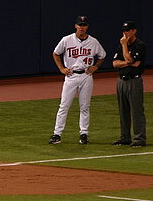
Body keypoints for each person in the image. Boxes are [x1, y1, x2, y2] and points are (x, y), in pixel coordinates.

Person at [48, 16, 106, 145]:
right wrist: (61, 68)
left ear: (87, 27)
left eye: (84, 25)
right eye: (80, 25)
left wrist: (96, 66)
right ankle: (57, 134)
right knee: (64, 106)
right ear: (75, 26)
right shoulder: (67, 40)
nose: (82, 27)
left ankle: (84, 134)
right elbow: (56, 53)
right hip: (71, 76)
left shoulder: (93, 42)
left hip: (86, 75)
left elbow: (102, 55)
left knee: (84, 106)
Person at [112, 21, 147, 147]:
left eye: (127, 30)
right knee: (123, 110)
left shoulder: (139, 45)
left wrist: (125, 48)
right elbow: (115, 64)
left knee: (136, 110)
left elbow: (129, 59)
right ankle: (125, 137)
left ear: (134, 31)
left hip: (134, 81)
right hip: (121, 81)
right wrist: (128, 63)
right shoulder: (122, 45)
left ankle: (139, 139)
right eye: (124, 30)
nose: (125, 33)